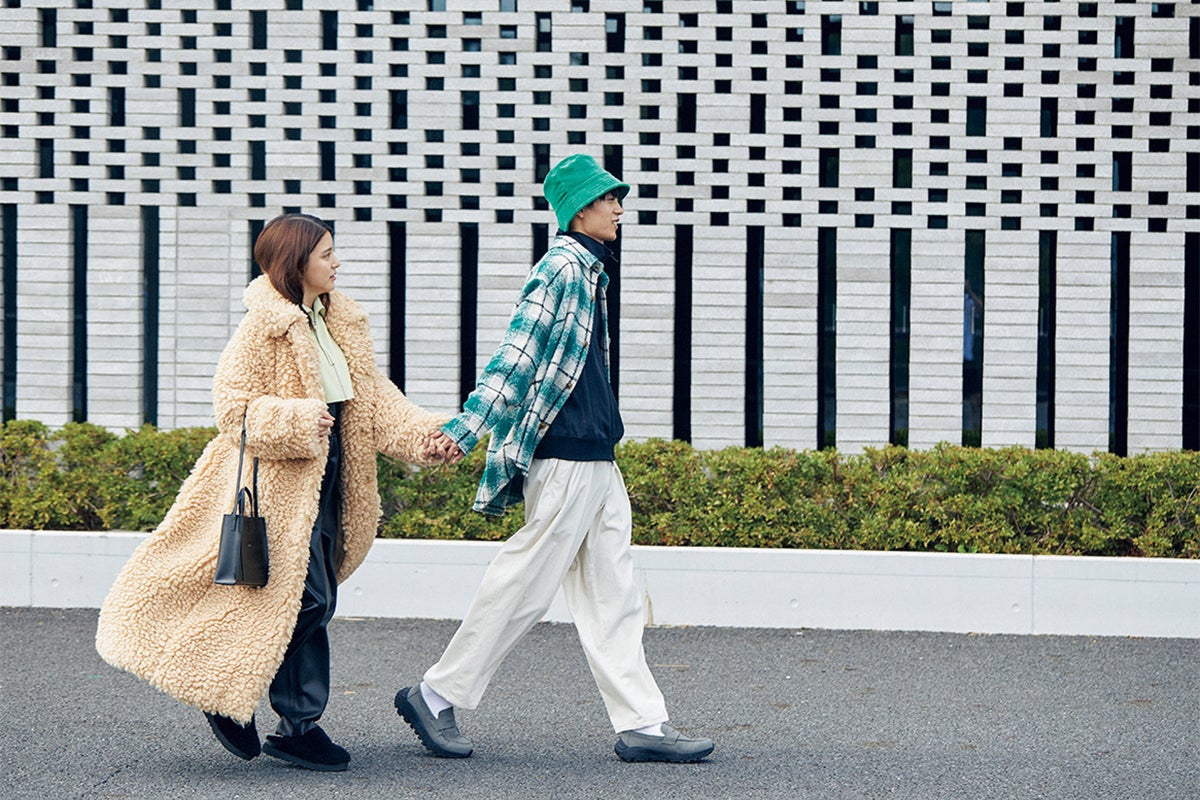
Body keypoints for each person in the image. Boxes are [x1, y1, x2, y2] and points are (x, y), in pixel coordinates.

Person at [96, 213, 448, 772]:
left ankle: (298, 728)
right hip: (278, 491)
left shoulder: (340, 323)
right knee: (310, 600)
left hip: (331, 485)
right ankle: (224, 684)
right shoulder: (264, 328)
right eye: (327, 254)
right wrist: (298, 419)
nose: (338, 263)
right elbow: (231, 408)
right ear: (296, 263)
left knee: (306, 603)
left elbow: (376, 402)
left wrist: (429, 437)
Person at [395, 154, 715, 764]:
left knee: (612, 591)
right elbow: (516, 357)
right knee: (525, 584)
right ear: (579, 210)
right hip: (566, 457)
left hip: (596, 456)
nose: (620, 208)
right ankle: (434, 694)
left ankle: (643, 723)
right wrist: (465, 430)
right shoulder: (561, 269)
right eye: (608, 199)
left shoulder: (589, 270)